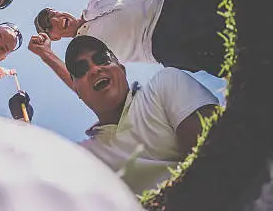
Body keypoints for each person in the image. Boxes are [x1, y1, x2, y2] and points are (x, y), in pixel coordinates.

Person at [12, 35, 219, 193]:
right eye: (81, 69)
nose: (94, 70)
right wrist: (22, 126)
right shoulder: (88, 157)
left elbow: (217, 161)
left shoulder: (165, 85)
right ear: (78, 91)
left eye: (102, 59)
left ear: (121, 68)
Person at [30, 0, 225, 80]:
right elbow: (79, 84)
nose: (55, 19)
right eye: (49, 25)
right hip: (162, 43)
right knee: (226, 52)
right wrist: (45, 53)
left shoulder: (94, 3)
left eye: (52, 13)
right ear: (54, 38)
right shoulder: (82, 51)